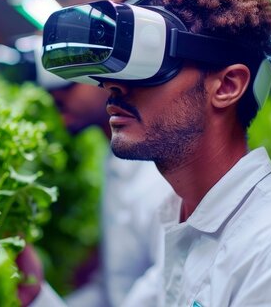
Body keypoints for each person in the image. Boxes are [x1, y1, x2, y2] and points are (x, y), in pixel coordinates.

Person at [23, 0, 271, 306]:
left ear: (226, 86)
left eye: (146, 64)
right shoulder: (188, 225)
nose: (114, 87)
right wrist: (34, 293)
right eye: (112, 71)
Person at [29, 35, 179, 307]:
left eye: (69, 86)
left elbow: (166, 289)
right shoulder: (112, 161)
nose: (57, 102)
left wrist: (37, 296)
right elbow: (113, 287)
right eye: (52, 96)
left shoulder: (160, 177)